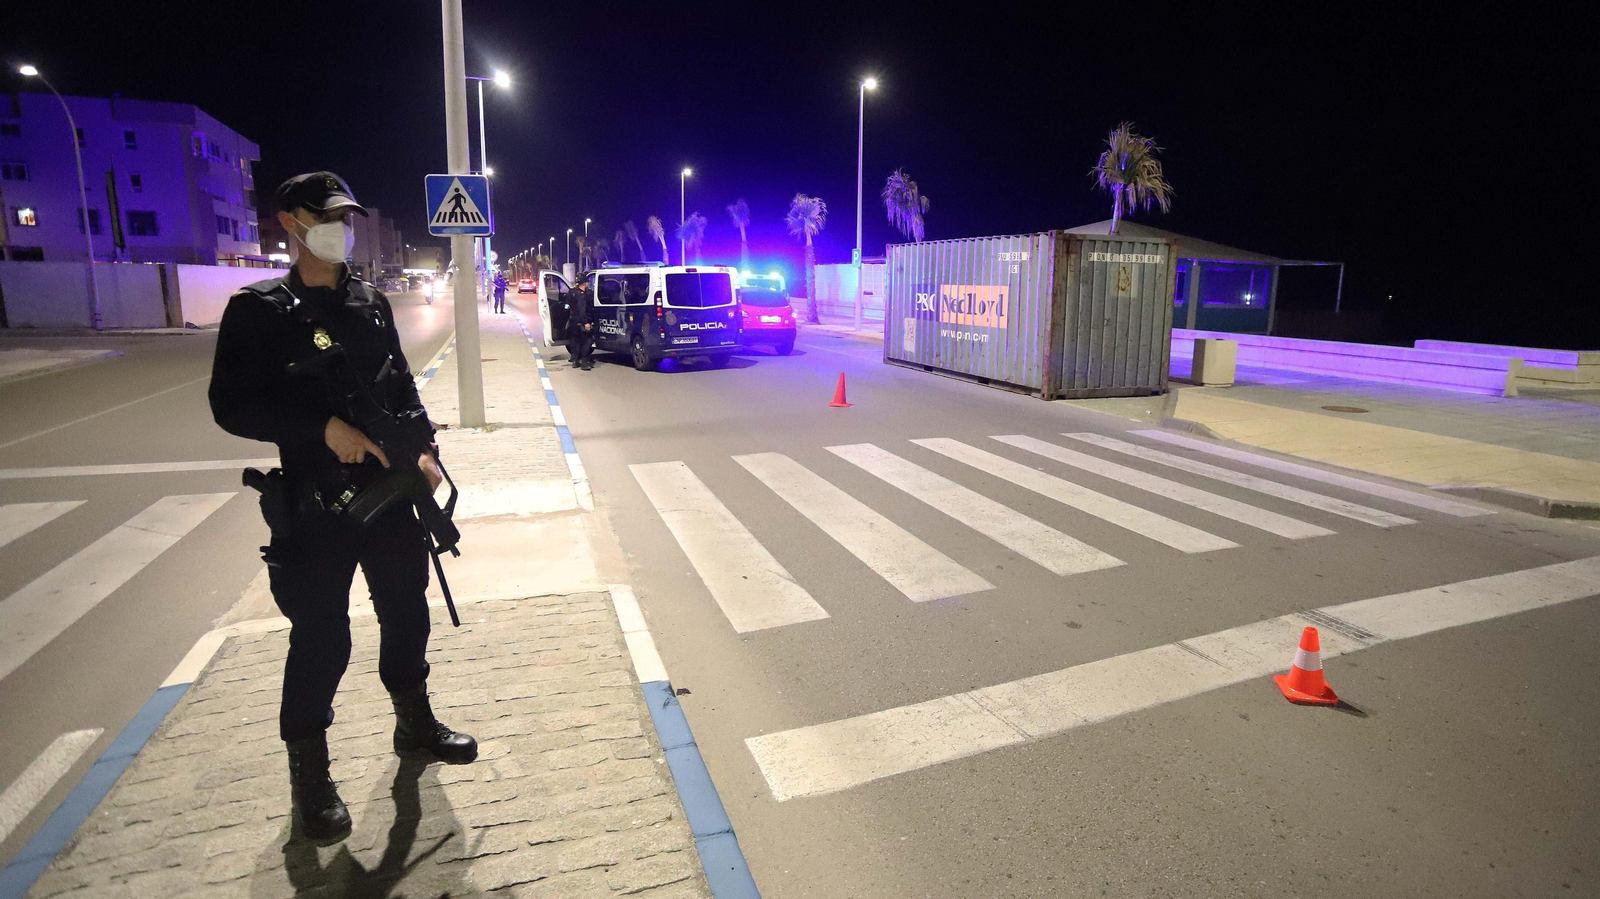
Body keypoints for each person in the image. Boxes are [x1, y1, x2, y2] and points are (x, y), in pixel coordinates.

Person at [208, 172, 477, 847]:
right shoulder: (259, 310)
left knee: (407, 611)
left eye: (345, 217)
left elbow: (400, 385)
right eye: (324, 216)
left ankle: (414, 722)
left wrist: (425, 449)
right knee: (322, 638)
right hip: (316, 502)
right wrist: (320, 430)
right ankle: (310, 776)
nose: (339, 228)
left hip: (390, 494)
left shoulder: (369, 301)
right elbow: (231, 406)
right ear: (289, 221)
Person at [568, 277, 595, 370]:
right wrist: (586, 322)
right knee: (586, 342)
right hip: (582, 322)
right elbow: (582, 311)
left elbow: (568, 305)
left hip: (573, 322)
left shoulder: (573, 292)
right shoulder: (582, 295)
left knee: (576, 342)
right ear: (585, 283)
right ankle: (584, 363)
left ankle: (575, 361)